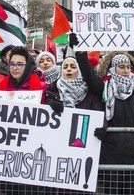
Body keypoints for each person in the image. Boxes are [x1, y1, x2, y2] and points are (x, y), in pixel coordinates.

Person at [75, 46, 134, 194]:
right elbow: (89, 76)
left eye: (128, 67)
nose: (126, 70)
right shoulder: (104, 87)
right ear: (113, 68)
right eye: (121, 67)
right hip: (112, 152)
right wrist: (80, 52)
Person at [0, 46, 47, 195]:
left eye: (20, 64)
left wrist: (55, 107)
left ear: (28, 66)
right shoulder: (0, 86)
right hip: (5, 152)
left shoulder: (43, 88)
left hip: (30, 153)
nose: (15, 68)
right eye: (12, 64)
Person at [46, 56, 105, 194]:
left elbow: (99, 113)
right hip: (58, 148)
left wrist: (103, 127)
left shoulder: (90, 93)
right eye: (65, 67)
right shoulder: (52, 90)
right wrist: (50, 105)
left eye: (73, 67)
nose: (68, 70)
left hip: (81, 148)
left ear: (78, 70)